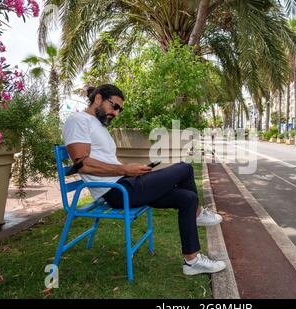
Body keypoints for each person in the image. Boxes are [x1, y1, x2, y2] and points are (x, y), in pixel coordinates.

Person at [62, 84, 226, 276]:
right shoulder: (78, 120)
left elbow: (105, 161)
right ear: (98, 99)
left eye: (120, 110)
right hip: (117, 191)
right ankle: (197, 215)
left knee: (187, 198)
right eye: (114, 107)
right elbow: (82, 164)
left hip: (124, 184)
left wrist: (130, 169)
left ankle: (192, 261)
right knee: (185, 168)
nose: (117, 113)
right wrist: (124, 169)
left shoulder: (96, 125)